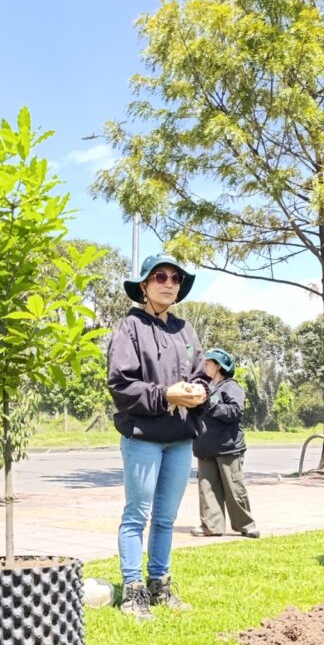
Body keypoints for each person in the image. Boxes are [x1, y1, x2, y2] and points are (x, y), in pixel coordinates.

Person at [107, 256, 208, 620]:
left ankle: (159, 586)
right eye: (160, 276)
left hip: (180, 437)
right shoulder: (129, 327)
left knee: (166, 517)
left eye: (175, 278)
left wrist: (199, 392)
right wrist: (166, 394)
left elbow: (202, 375)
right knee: (137, 515)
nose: (169, 283)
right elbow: (121, 384)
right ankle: (132, 591)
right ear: (144, 286)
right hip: (143, 437)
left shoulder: (185, 330)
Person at [190, 348, 259, 541]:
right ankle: (211, 526)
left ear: (219, 366)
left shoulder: (231, 388)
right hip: (205, 447)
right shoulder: (205, 388)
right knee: (207, 490)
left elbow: (234, 412)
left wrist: (209, 405)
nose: (205, 366)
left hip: (228, 447)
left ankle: (246, 525)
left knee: (234, 488)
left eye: (208, 363)